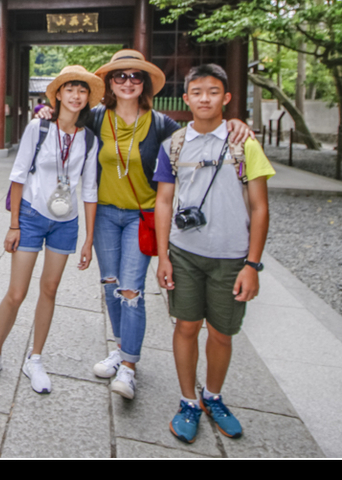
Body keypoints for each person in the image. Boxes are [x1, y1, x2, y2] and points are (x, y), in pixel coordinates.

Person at [36, 49, 250, 401]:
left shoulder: (161, 124)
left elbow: (197, 136)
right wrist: (45, 111)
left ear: (146, 84)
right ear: (109, 83)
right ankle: (121, 350)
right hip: (104, 212)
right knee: (110, 286)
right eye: (120, 76)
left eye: (136, 77)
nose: (128, 82)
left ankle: (130, 367)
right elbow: (66, 121)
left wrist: (234, 125)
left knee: (131, 290)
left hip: (141, 214)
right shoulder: (96, 117)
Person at [153, 64, 274, 444]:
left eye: (213, 91)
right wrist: (163, 257)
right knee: (185, 326)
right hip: (184, 252)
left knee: (222, 333)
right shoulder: (173, 144)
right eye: (197, 92)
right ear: (186, 98)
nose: (205, 98)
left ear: (226, 97)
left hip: (232, 256)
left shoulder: (244, 143)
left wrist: (252, 265)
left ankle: (213, 396)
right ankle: (188, 400)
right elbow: (164, 202)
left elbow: (259, 208)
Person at [0, 65, 101, 394]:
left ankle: (35, 359)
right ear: (58, 94)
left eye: (82, 90)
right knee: (17, 292)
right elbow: (18, 175)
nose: (76, 95)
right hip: (31, 215)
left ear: (88, 99)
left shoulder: (89, 139)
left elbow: (89, 190)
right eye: (70, 89)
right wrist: (14, 224)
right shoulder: (39, 127)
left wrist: (89, 239)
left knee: (50, 290)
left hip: (66, 222)